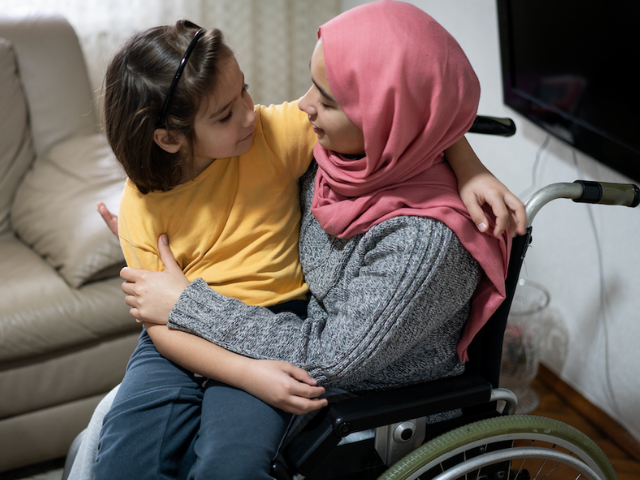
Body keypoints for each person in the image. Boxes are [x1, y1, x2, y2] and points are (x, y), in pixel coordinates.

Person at [80, 3, 525, 480]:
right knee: (119, 451)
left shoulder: (422, 243)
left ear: (382, 118)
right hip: (227, 336)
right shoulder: (333, 155)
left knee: (220, 464)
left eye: (327, 99)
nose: (303, 105)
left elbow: (330, 358)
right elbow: (417, 112)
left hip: (341, 386)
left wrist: (185, 304)